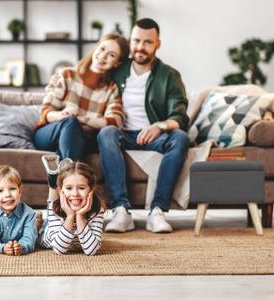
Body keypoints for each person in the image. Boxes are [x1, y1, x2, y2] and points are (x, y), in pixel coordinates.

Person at [97, 18, 190, 233]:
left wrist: (160, 125)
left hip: (154, 136)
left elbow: (180, 116)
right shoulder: (117, 70)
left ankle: (157, 212)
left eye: (147, 42)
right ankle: (121, 211)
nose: (140, 47)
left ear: (158, 44)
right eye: (136, 40)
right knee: (106, 132)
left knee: (180, 138)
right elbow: (90, 74)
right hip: (122, 133)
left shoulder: (170, 75)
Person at [34, 34, 129, 165]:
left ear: (117, 63)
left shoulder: (111, 89)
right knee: (70, 123)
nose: (103, 56)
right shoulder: (67, 74)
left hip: (81, 139)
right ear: (96, 48)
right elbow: (46, 111)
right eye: (102, 49)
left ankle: (62, 179)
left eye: (111, 55)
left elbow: (115, 121)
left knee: (73, 128)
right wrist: (62, 116)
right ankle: (72, 179)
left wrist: (82, 120)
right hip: (49, 133)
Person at [39, 154, 106, 255]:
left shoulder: (97, 209)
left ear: (91, 190)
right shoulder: (55, 207)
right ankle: (53, 181)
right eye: (69, 188)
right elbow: (59, 250)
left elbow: (91, 251)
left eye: (81, 188)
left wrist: (79, 215)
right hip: (48, 231)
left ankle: (58, 177)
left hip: (71, 229)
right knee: (52, 204)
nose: (75, 194)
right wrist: (70, 216)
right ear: (61, 191)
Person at [0, 165, 38, 255]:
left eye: (12, 189)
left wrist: (21, 246)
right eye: (0, 191)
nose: (7, 194)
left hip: (20, 241)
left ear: (20, 192)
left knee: (36, 230)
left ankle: (38, 223)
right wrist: (2, 248)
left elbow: (29, 240)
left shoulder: (29, 213)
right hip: (2, 245)